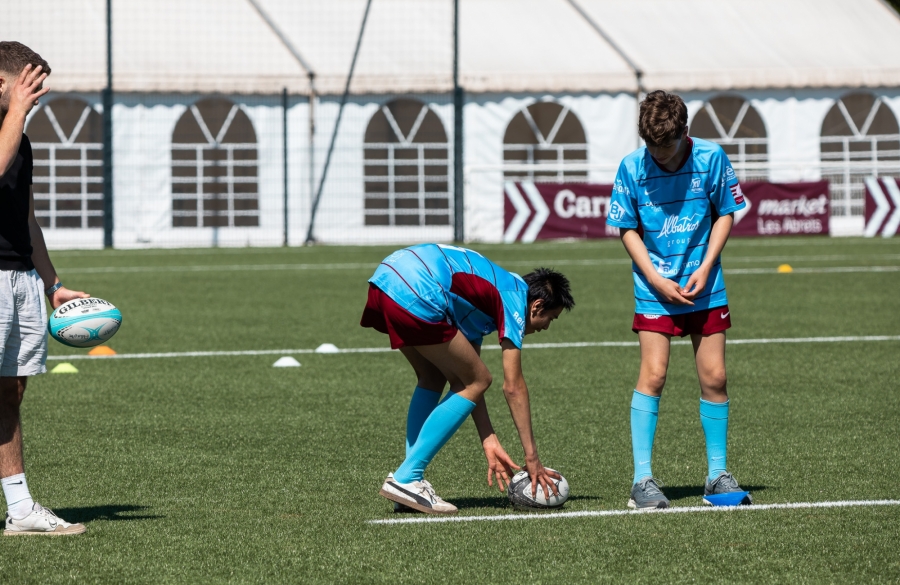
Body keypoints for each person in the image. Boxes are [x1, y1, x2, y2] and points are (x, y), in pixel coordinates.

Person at [606, 90, 751, 510]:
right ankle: (643, 481)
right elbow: (627, 227)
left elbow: (726, 211)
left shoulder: (711, 158)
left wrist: (706, 266)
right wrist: (653, 276)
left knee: (716, 377)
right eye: (653, 149)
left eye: (667, 150)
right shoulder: (631, 167)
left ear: (685, 133)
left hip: (706, 286)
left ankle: (718, 476)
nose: (661, 158)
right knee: (653, 375)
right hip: (654, 291)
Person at [360, 243, 574, 514]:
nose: (546, 327)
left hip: (387, 278)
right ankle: (407, 478)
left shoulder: (483, 300)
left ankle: (407, 483)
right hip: (418, 286)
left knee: (432, 377)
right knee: (479, 379)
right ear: (537, 305)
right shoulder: (513, 295)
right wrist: (532, 459)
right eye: (551, 319)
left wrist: (489, 438)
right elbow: (513, 387)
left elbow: (466, 379)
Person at [0, 41, 90, 535]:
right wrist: (16, 112)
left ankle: (20, 511)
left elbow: (28, 220)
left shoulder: (24, 142)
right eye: (29, 86)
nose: (36, 97)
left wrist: (51, 284)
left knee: (10, 392)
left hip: (20, 281)